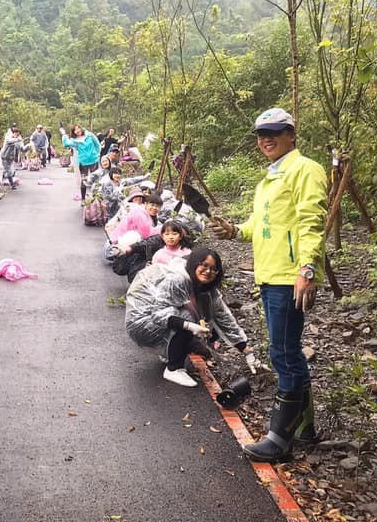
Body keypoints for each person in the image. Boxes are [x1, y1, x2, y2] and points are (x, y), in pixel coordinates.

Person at [211, 107, 327, 462]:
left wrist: (307, 268)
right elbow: (262, 224)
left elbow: (312, 220)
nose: (266, 139)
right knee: (288, 350)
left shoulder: (305, 169)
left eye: (275, 132)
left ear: (292, 134)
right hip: (270, 273)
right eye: (261, 134)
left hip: (289, 277)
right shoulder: (272, 177)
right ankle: (305, 429)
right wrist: (234, 230)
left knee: (283, 353)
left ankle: (279, 438)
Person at [124, 248, 258, 387]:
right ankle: (174, 369)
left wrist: (245, 350)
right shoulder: (179, 279)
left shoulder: (208, 289)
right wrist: (189, 326)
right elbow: (157, 313)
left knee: (199, 324)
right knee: (188, 317)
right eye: (204, 265)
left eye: (213, 269)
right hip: (142, 324)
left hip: (157, 321)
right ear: (194, 263)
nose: (208, 271)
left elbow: (223, 317)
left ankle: (170, 353)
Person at [60, 124, 101, 200]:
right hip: (83, 162)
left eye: (78, 128)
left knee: (95, 180)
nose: (77, 130)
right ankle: (83, 199)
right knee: (84, 180)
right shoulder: (75, 141)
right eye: (75, 130)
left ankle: (96, 199)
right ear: (74, 132)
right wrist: (64, 134)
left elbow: (97, 144)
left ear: (81, 129)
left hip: (94, 160)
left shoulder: (89, 135)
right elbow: (66, 144)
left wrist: (97, 154)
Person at [1, 125, 24, 189]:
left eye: (18, 134)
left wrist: (29, 146)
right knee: (9, 171)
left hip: (11, 159)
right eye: (15, 133)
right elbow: (9, 141)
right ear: (13, 133)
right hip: (4, 157)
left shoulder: (18, 140)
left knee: (11, 172)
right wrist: (17, 139)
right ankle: (12, 184)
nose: (17, 135)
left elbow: (21, 149)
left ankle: (8, 179)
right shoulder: (8, 137)